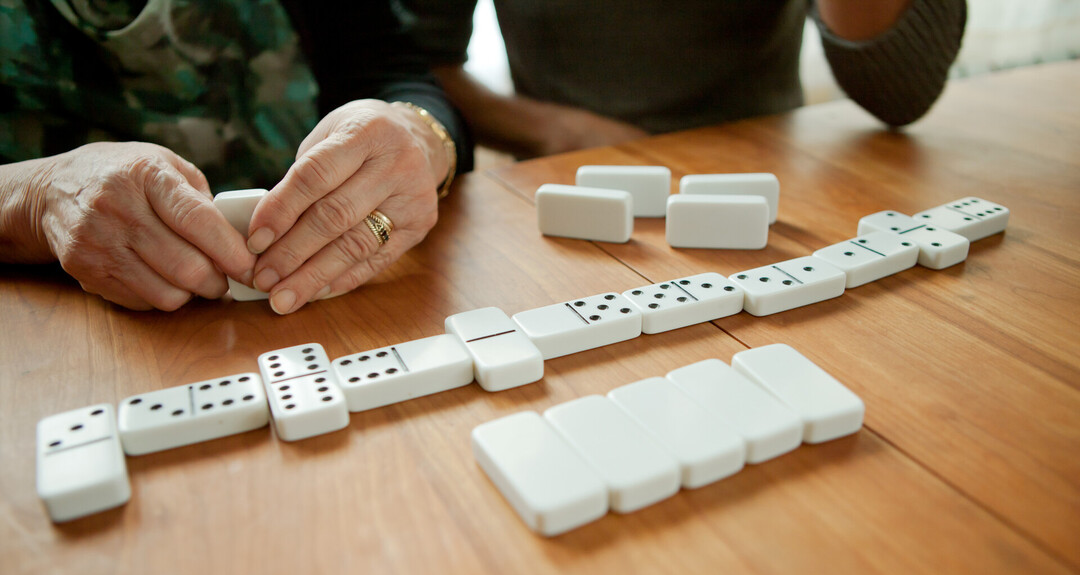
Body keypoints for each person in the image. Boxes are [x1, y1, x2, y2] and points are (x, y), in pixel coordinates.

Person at [0, 0, 473, 315]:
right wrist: (36, 194)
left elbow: (394, 72)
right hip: (62, 318)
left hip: (326, 303)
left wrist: (419, 135)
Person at [397, 0, 967, 159]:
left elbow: (901, 93)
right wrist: (558, 132)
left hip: (777, 188)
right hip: (579, 185)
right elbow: (411, 69)